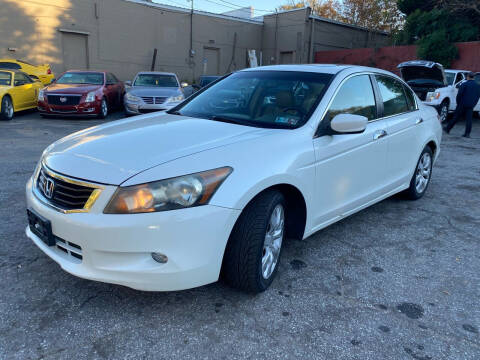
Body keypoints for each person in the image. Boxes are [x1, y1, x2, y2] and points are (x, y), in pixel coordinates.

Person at [444, 72, 480, 138]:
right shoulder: (478, 86)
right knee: (469, 120)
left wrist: (458, 103)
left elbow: (459, 94)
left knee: (456, 117)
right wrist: (473, 104)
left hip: (462, 104)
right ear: (473, 77)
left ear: (468, 77)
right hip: (471, 105)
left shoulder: (464, 84)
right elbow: (478, 96)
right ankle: (467, 134)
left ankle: (447, 129)